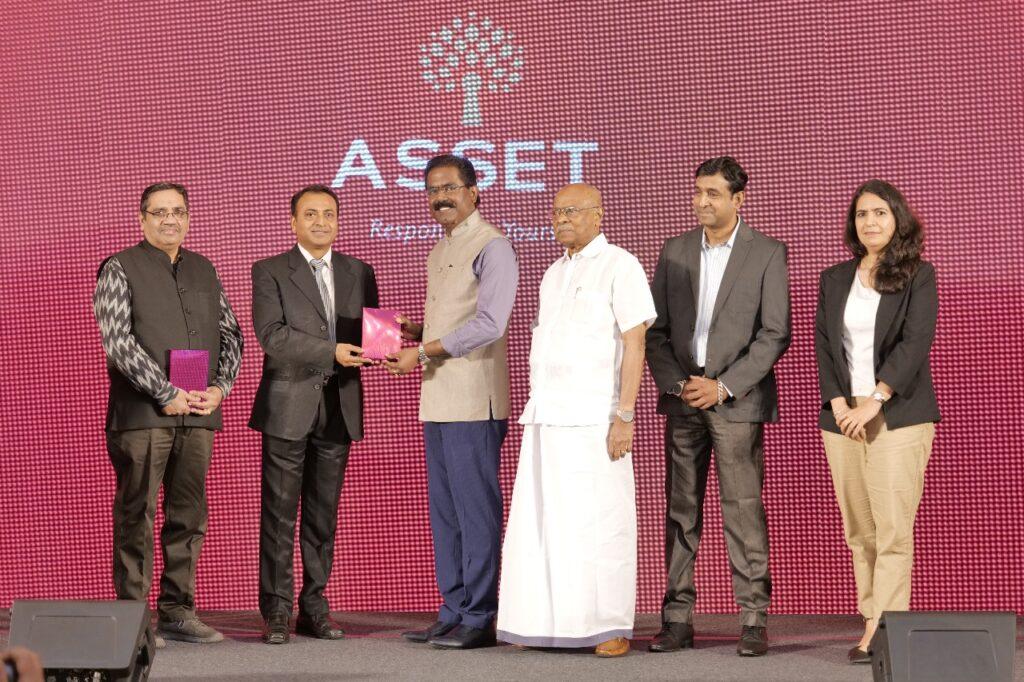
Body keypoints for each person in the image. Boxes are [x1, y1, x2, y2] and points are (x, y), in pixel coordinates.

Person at [496, 184, 656, 658]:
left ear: (598, 215)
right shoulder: (552, 273)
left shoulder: (620, 264)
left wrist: (624, 415)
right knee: (543, 524)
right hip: (546, 417)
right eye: (556, 212)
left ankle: (608, 625)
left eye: (571, 211)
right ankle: (539, 623)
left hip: (595, 419)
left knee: (601, 524)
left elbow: (635, 342)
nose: (561, 219)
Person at [645, 157, 790, 656]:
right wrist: (679, 384)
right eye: (697, 192)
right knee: (680, 511)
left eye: (712, 193)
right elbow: (656, 330)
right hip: (684, 398)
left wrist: (723, 386)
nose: (701, 201)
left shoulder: (767, 252)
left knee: (743, 511)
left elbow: (775, 334)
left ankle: (752, 618)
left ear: (738, 199)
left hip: (736, 403)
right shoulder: (675, 249)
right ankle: (677, 618)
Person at [93, 182, 243, 646]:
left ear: (189, 218)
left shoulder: (204, 267)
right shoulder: (120, 267)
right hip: (143, 414)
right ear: (142, 219)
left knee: (189, 515)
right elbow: (117, 341)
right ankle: (133, 618)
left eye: (178, 211)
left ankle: (178, 612)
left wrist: (219, 389)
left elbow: (231, 334)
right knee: (137, 512)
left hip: (197, 413)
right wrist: (164, 391)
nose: (170, 220)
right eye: (159, 212)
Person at [384, 154, 518, 650]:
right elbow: (455, 320)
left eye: (450, 188)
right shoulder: (441, 247)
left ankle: (480, 615)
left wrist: (420, 351)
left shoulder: (493, 245)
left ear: (473, 192)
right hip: (438, 396)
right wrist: (418, 331)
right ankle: (453, 610)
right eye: (432, 190)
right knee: (447, 513)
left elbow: (490, 324)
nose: (440, 197)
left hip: (473, 399)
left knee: (475, 511)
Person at [814, 179, 939, 664]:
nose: (870, 221)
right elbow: (826, 346)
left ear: (897, 219)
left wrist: (875, 400)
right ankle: (872, 617)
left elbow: (915, 343)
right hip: (843, 417)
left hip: (897, 415)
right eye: (862, 214)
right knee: (859, 530)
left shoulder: (918, 275)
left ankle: (884, 627)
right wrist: (839, 403)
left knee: (891, 530)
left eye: (880, 213)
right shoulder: (834, 278)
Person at [249, 184, 379, 644]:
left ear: (338, 221)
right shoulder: (269, 270)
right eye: (311, 214)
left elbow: (371, 335)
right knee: (279, 515)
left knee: (323, 517)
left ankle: (315, 607)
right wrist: (332, 351)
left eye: (329, 214)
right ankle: (277, 611)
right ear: (293, 222)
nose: (321, 222)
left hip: (339, 406)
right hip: (288, 406)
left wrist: (389, 341)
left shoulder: (359, 271)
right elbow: (272, 335)